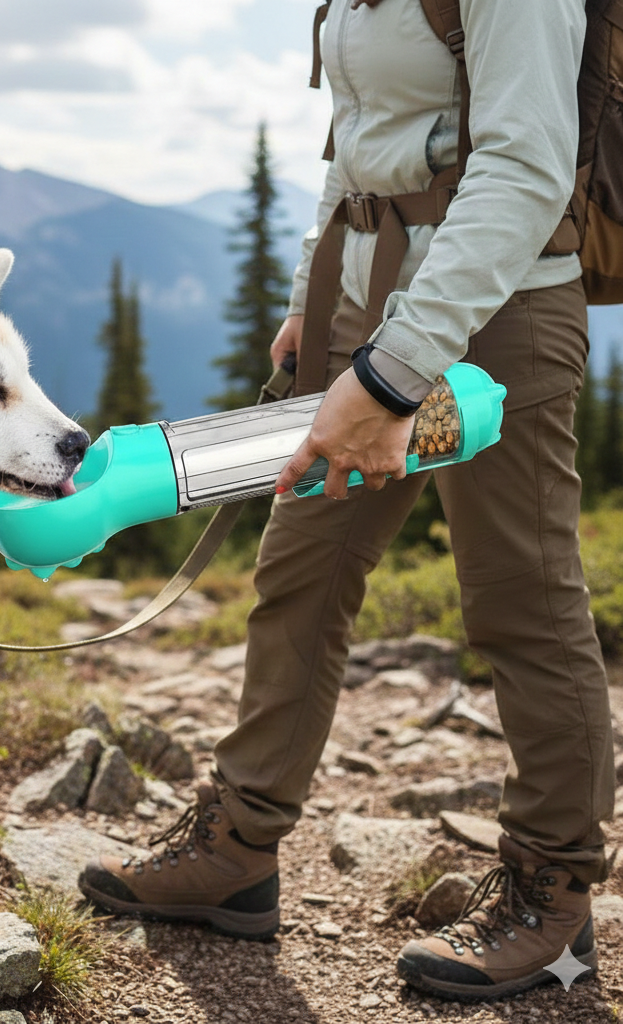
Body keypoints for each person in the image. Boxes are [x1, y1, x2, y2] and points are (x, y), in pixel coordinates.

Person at [79, 0, 615, 1002]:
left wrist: (393, 371)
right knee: (302, 570)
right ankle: (238, 848)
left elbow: (526, 167)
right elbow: (357, 146)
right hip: (370, 307)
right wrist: (309, 306)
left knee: (521, 596)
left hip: (494, 310)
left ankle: (554, 896)